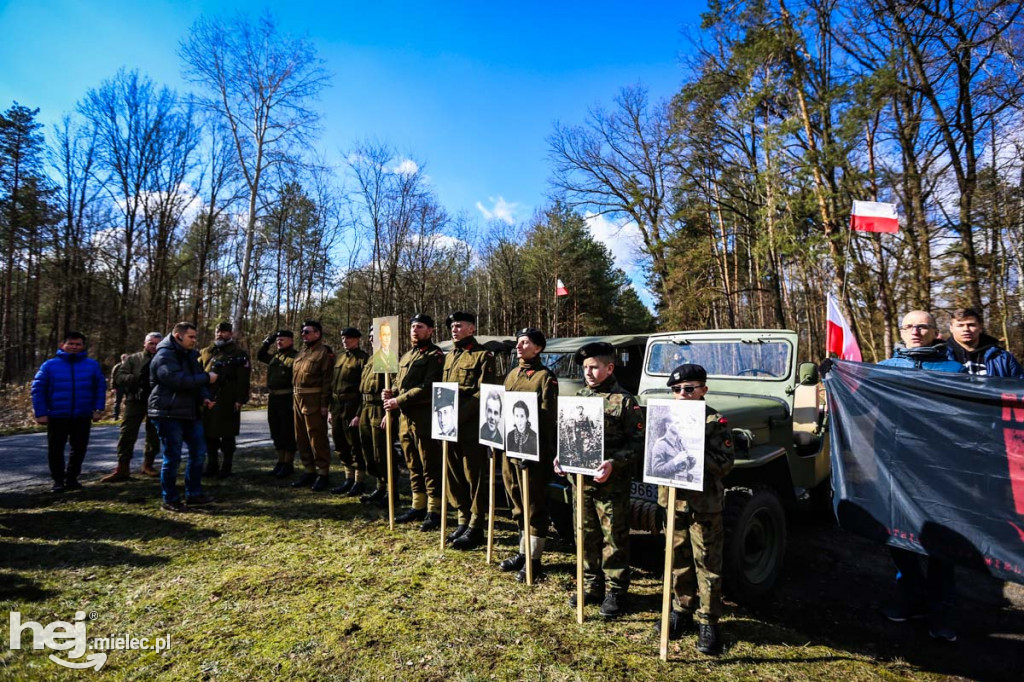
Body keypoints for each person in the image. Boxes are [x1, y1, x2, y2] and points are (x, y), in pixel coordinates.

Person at [878, 310, 965, 642]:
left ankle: (941, 612)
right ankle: (910, 598)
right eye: (909, 326)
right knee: (899, 536)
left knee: (943, 543)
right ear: (901, 332)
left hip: (941, 470)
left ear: (935, 332)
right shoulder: (885, 369)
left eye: (923, 326)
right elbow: (858, 406)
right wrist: (836, 375)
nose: (916, 331)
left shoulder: (955, 371)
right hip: (896, 467)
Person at [554, 341, 644, 618]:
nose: (589, 373)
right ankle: (592, 585)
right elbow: (569, 436)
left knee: (613, 538)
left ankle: (616, 590)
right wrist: (561, 457)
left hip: (610, 486)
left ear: (610, 368)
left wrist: (614, 463)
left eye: (594, 367)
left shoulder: (626, 401)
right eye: (585, 368)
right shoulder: (578, 397)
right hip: (581, 483)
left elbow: (639, 444)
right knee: (584, 535)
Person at [654, 364, 735, 655]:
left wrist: (695, 451)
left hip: (704, 505)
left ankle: (709, 621)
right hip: (672, 502)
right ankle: (681, 609)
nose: (682, 394)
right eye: (676, 390)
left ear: (703, 389)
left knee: (707, 562)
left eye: (689, 389)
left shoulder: (715, 421)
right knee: (676, 559)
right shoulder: (665, 417)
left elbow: (726, 463)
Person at [499, 328, 557, 582]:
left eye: (526, 343)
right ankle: (522, 553)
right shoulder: (512, 374)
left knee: (534, 506)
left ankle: (535, 560)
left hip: (533, 453)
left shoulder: (545, 377)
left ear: (538, 348)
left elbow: (547, 418)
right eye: (518, 342)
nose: (520, 346)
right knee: (517, 504)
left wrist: (536, 449)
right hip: (510, 449)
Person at [441, 311, 497, 550]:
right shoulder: (449, 356)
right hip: (448, 425)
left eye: (458, 325)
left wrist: (458, 415)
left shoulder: (483, 356)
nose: (454, 329)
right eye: (452, 326)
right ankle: (463, 519)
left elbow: (484, 393)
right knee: (453, 474)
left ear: (472, 329)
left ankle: (476, 524)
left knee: (473, 476)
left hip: (472, 426)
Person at [148, 322, 218, 512]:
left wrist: (204, 397)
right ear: (178, 336)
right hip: (167, 413)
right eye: (191, 337)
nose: (195, 341)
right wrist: (207, 378)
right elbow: (176, 381)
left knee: (198, 453)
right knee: (173, 457)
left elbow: (196, 378)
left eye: (195, 337)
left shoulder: (189, 356)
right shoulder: (164, 355)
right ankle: (170, 499)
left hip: (189, 411)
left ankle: (194, 494)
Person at [384, 314, 445, 526]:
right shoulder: (406, 356)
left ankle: (434, 510)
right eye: (412, 327)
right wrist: (391, 392)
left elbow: (429, 386)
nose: (414, 330)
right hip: (405, 418)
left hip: (424, 416)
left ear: (430, 331)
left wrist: (398, 400)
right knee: (412, 463)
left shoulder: (435, 356)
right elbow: (399, 382)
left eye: (419, 327)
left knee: (429, 463)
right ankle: (417, 506)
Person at [31, 331, 106, 493]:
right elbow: (38, 389)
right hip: (57, 415)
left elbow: (100, 388)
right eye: (70, 344)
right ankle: (58, 481)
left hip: (82, 414)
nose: (74, 347)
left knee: (79, 448)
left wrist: (98, 409)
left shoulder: (92, 365)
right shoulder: (49, 365)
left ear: (83, 346)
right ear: (62, 345)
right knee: (56, 449)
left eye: (77, 344)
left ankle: (72, 479)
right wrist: (41, 412)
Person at [102, 332, 163, 482]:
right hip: (135, 400)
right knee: (127, 433)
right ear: (145, 343)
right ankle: (122, 467)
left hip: (157, 401)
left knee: (154, 434)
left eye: (157, 344)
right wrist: (135, 379)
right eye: (151, 343)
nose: (154, 346)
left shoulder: (165, 359)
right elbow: (119, 376)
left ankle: (148, 465)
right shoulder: (134, 359)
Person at [199, 322, 251, 478]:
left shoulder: (238, 353)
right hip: (208, 398)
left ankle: (226, 466)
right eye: (217, 331)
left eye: (223, 331)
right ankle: (212, 465)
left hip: (228, 398)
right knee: (209, 434)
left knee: (227, 435)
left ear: (230, 334)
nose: (219, 334)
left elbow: (243, 378)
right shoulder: (206, 352)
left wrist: (240, 399)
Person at [290, 320, 335, 492]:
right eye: (302, 332)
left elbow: (327, 380)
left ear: (317, 334)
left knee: (316, 437)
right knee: (300, 436)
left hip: (314, 399)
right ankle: (309, 470)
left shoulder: (324, 353)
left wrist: (324, 404)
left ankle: (323, 473)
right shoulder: (301, 353)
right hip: (297, 398)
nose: (304, 335)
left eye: (307, 332)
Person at [330, 327, 370, 495]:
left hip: (353, 405)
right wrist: (331, 410)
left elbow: (364, 389)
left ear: (357, 339)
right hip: (337, 405)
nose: (345, 341)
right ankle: (348, 478)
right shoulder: (339, 358)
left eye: (349, 338)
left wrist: (359, 413)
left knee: (355, 444)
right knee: (340, 443)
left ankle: (359, 481)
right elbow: (332, 384)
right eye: (343, 338)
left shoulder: (363, 359)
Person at [358, 329, 395, 506]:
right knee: (369, 451)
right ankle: (380, 486)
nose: (371, 338)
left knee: (382, 452)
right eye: (370, 335)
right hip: (366, 408)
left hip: (380, 410)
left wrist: (391, 414)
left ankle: (391, 491)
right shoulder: (371, 359)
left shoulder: (389, 357)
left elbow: (394, 388)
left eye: (375, 336)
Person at [257, 329, 298, 477]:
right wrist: (267, 341)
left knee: (288, 431)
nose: (279, 342)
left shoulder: (296, 357)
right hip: (273, 399)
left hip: (288, 398)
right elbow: (260, 355)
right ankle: (280, 461)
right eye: (278, 340)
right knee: (276, 430)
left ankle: (288, 463)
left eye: (283, 339)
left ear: (291, 341)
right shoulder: (276, 357)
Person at [945, 307, 1024, 377]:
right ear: (951, 328)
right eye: (960, 325)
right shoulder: (941, 356)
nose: (966, 329)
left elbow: (1019, 387)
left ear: (980, 327)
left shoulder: (1002, 357)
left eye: (971, 325)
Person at [648, 418, 697, 483]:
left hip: (684, 485)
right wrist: (675, 461)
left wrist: (692, 461)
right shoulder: (660, 444)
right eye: (677, 423)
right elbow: (656, 472)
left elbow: (685, 468)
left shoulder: (681, 442)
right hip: (670, 485)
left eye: (681, 423)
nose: (681, 425)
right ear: (668, 425)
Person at [111, 354, 127, 421]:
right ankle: (115, 416)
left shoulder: (130, 366)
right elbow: (113, 377)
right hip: (119, 386)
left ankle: (127, 416)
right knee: (117, 401)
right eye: (124, 358)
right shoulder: (117, 366)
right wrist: (113, 387)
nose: (125, 359)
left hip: (128, 386)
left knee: (129, 401)